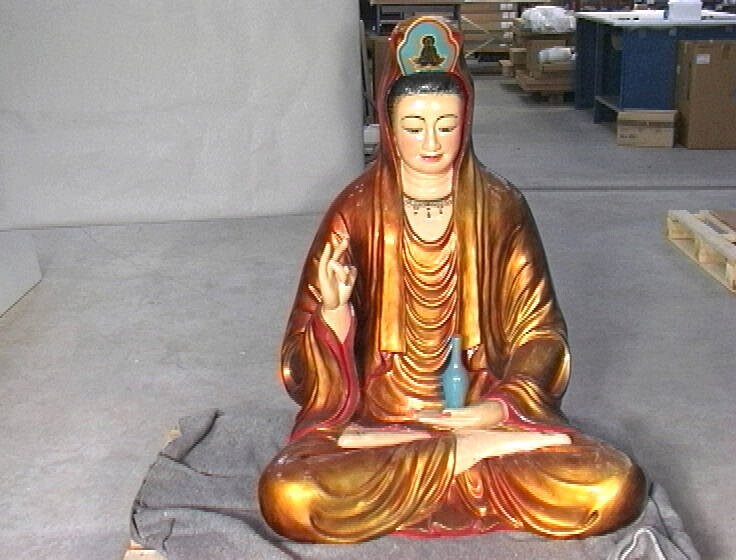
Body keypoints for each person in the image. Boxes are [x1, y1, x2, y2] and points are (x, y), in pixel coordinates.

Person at [259, 17, 647, 543]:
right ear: (389, 128)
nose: (431, 143)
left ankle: (458, 456)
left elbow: (540, 333)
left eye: (446, 124)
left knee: (613, 485)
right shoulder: (355, 210)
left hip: (482, 413)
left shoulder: (500, 207)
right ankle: (465, 459)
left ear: (466, 123)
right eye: (413, 126)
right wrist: (333, 314)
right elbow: (300, 367)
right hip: (381, 420)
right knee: (291, 494)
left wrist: (499, 407)